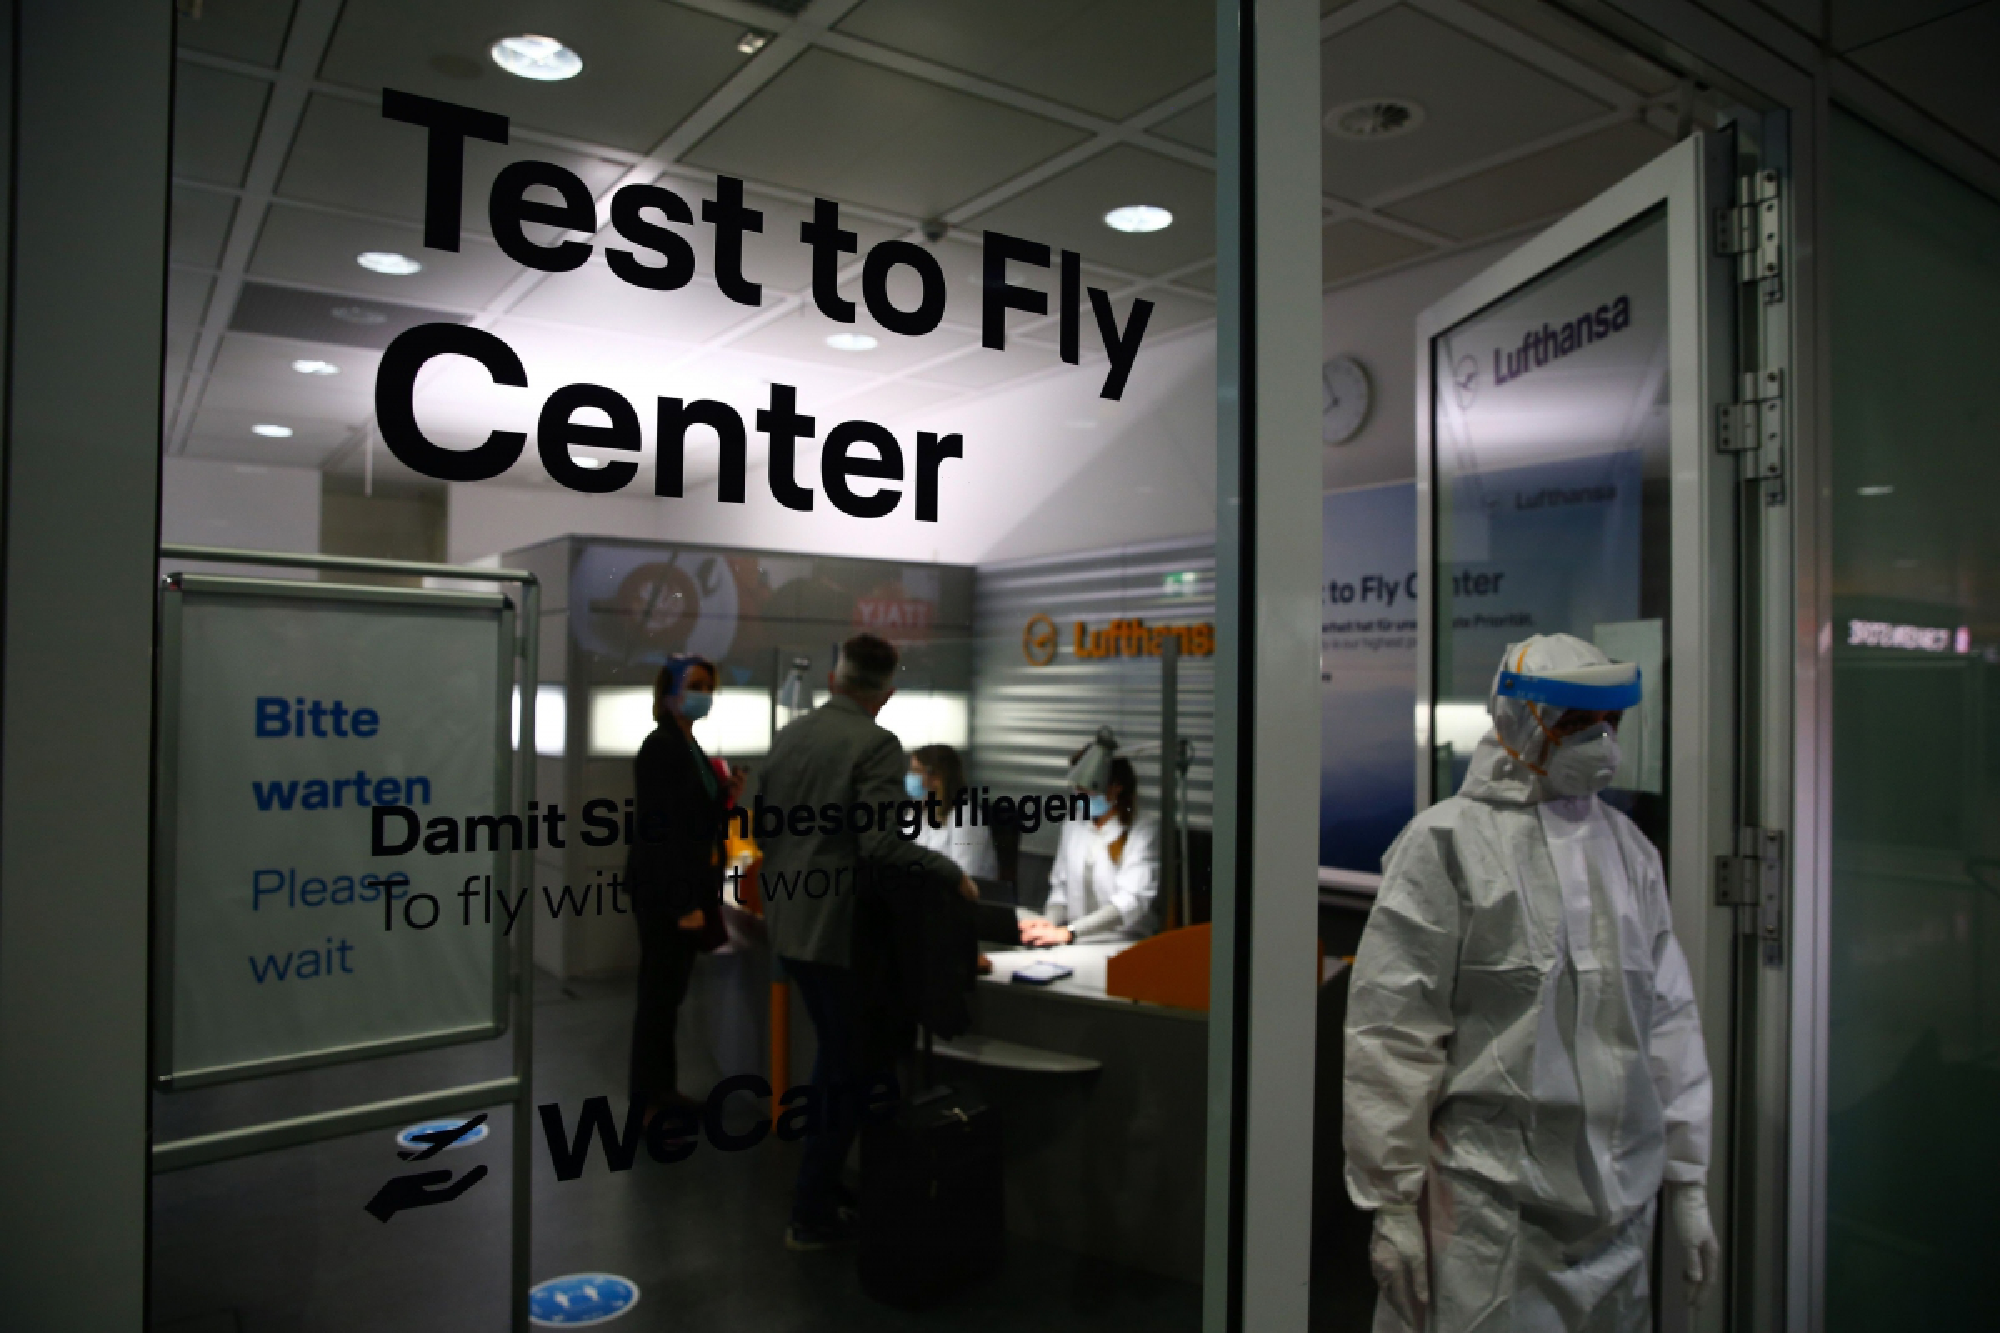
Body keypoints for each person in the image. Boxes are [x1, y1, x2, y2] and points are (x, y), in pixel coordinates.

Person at [1343, 633, 1720, 1333]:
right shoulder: (1446, 844)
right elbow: (1391, 1032)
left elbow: (1669, 1021)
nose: (1601, 741)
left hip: (1621, 1213)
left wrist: (1689, 1181)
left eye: (1610, 722)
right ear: (1518, 720)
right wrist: (1391, 1202)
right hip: (1489, 1217)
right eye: (1577, 722)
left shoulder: (1630, 851)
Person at [756, 633, 978, 1252]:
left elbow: (763, 825)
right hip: (837, 932)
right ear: (887, 692)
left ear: (835, 679)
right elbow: (881, 846)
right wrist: (948, 872)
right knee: (848, 1070)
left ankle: (824, 1193)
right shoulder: (876, 745)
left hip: (790, 926)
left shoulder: (790, 735)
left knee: (839, 1060)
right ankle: (811, 1212)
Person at [626, 655, 729, 1126]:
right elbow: (661, 833)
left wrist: (726, 795)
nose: (704, 695)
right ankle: (648, 1100)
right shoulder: (661, 748)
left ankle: (662, 1089)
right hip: (667, 893)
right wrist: (682, 902)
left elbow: (696, 817)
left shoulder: (690, 746)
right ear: (668, 695)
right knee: (658, 999)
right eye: (695, 686)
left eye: (709, 687)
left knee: (669, 998)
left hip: (687, 886)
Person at [1020, 754, 1160, 945]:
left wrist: (1071, 931)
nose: (1080, 793)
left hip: (1124, 940)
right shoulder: (1074, 823)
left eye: (1089, 787)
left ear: (1117, 786)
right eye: (1078, 786)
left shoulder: (1142, 829)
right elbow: (1060, 888)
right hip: (1076, 937)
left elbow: (1130, 901)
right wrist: (1049, 923)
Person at [907, 744, 997, 879]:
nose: (910, 777)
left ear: (937, 777)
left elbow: (964, 875)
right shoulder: (918, 812)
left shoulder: (965, 816)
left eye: (916, 771)